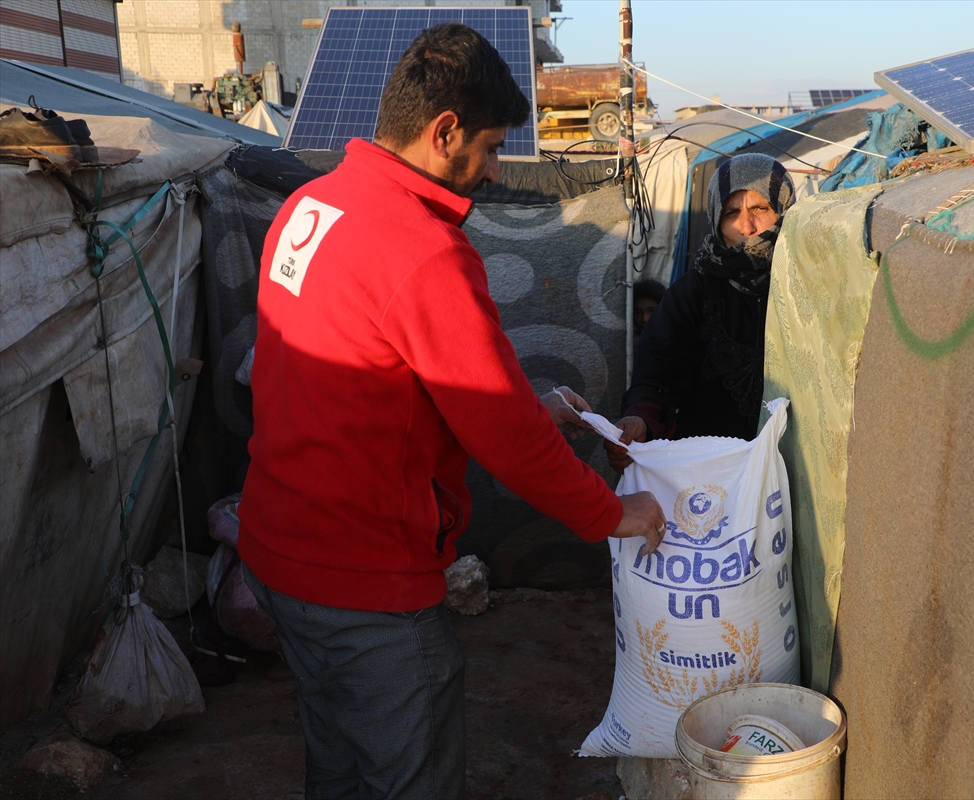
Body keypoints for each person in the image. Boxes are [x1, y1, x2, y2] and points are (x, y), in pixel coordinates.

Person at [236, 23, 665, 800]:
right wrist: (612, 513)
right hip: (364, 578)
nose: (496, 169)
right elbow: (506, 439)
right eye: (493, 147)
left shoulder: (311, 205)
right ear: (444, 132)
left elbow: (357, 376)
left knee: (337, 758)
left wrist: (528, 407)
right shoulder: (423, 248)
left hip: (276, 545)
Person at [606, 154, 795, 471]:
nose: (746, 226)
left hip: (793, 471)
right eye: (731, 213)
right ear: (716, 220)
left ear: (784, 209)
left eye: (760, 209)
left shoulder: (808, 284)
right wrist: (641, 416)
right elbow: (659, 369)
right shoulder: (694, 291)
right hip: (712, 473)